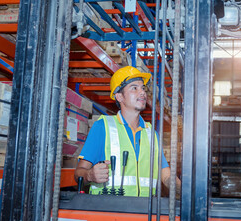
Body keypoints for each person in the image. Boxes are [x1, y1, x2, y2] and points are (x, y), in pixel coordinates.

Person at [74, 66, 181, 197]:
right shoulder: (103, 127)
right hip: (109, 212)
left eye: (143, 88)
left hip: (144, 212)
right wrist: (89, 175)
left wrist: (185, 191)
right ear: (119, 96)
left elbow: (166, 174)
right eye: (134, 88)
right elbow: (79, 172)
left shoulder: (151, 133)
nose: (142, 92)